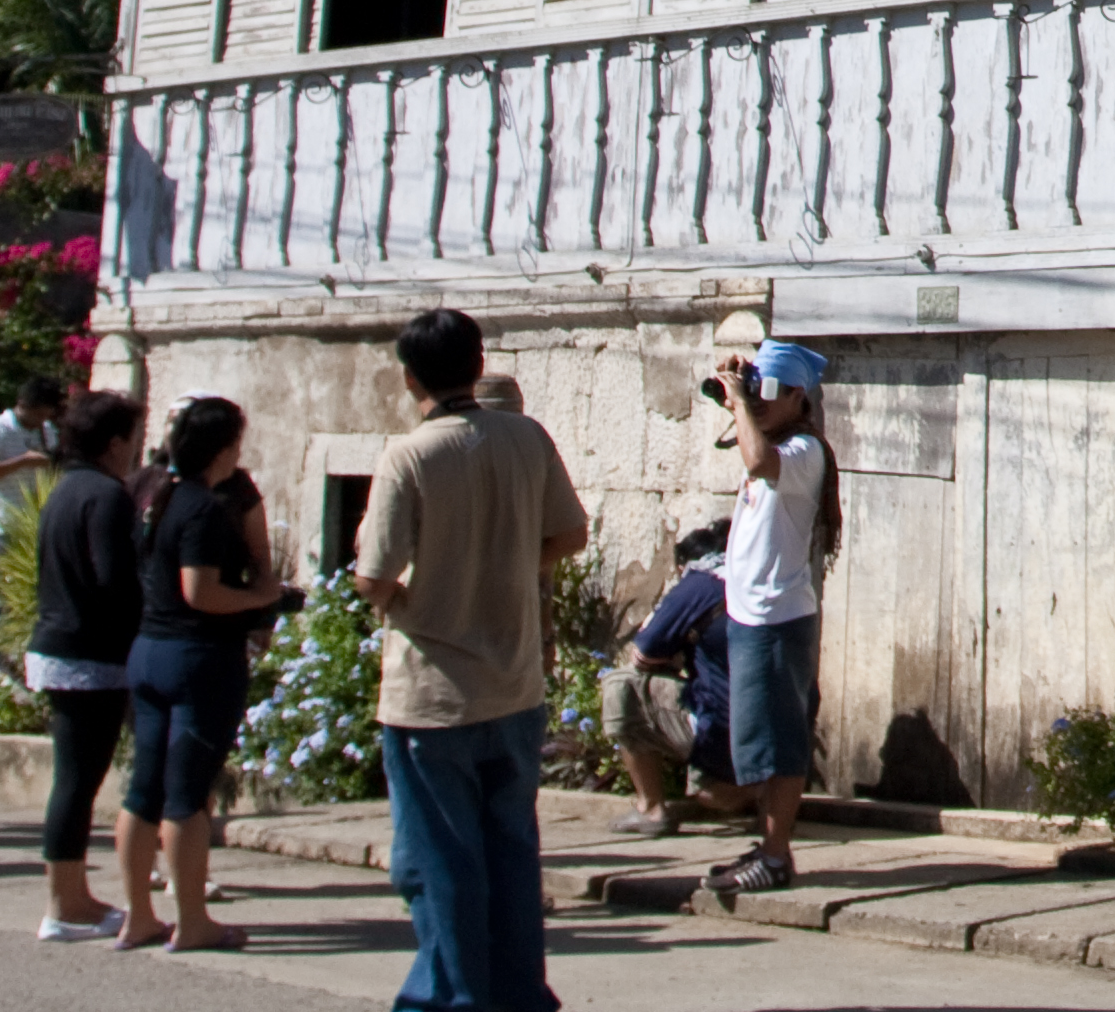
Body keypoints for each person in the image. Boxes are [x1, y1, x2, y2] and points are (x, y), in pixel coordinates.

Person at [356, 308, 586, 1012]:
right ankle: (518, 992)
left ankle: (452, 994)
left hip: (432, 691)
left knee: (441, 858)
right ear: (478, 363)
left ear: (409, 377)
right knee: (512, 852)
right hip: (513, 682)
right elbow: (569, 532)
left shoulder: (412, 453)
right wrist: (517, 567)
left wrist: (405, 598)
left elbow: (373, 574)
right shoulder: (526, 437)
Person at [118, 395, 288, 951]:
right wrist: (262, 598)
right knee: (186, 796)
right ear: (225, 447)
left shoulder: (157, 495)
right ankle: (192, 921)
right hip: (198, 657)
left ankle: (138, 915)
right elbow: (202, 591)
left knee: (142, 791)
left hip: (149, 649)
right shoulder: (208, 509)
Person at [707, 337, 836, 900]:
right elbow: (748, 443)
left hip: (778, 617)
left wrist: (740, 402)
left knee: (781, 743)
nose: (756, 400)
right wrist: (734, 389)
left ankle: (777, 855)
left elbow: (759, 458)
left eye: (769, 391)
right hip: (753, 615)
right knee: (758, 745)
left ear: (799, 397)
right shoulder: (773, 438)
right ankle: (767, 846)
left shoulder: (804, 452)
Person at [27, 389, 145, 943]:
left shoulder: (64, 489)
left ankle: (72, 893)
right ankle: (64, 901)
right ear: (115, 442)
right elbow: (115, 579)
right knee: (77, 779)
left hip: (58, 645)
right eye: (132, 439)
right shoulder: (106, 495)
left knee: (74, 777)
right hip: (90, 653)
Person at [599, 522, 742, 837]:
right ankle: (765, 791)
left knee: (622, 684)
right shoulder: (774, 580)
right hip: (787, 738)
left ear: (682, 565)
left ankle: (651, 809)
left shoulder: (699, 583)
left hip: (727, 731)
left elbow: (643, 656)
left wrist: (674, 653)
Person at [0, 376, 67, 670]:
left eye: (47, 415)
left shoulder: (48, 431)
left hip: (37, 521)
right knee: (1, 593)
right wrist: (22, 461)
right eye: (39, 413)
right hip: (4, 524)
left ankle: (25, 655)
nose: (43, 420)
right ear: (24, 405)